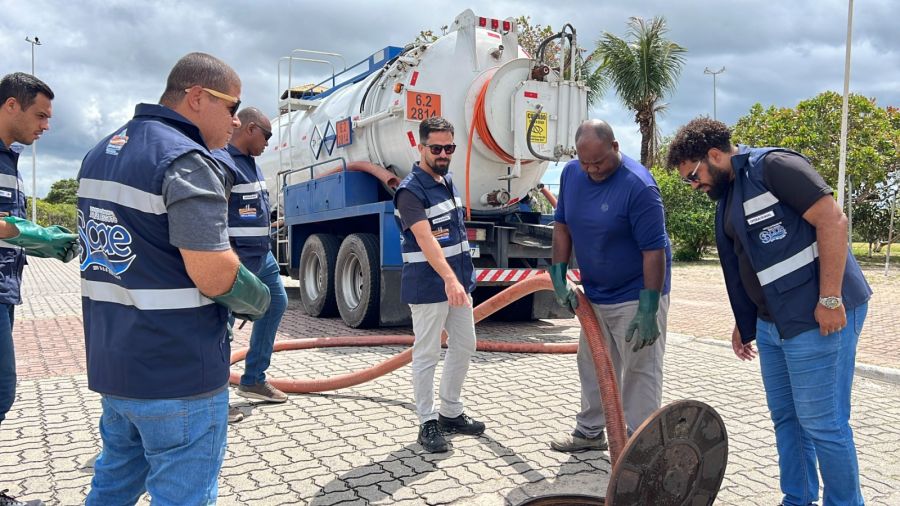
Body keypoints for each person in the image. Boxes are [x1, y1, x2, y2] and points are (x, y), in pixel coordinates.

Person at [77, 53, 271, 505]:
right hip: (177, 370)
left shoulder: (101, 152)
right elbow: (214, 272)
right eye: (232, 106)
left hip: (115, 364)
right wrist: (258, 300)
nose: (237, 120)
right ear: (197, 97)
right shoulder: (187, 160)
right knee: (184, 495)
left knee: (114, 483)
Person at [667, 117, 871, 506]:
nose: (693, 186)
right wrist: (745, 320)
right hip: (772, 323)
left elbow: (833, 220)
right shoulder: (728, 193)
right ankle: (798, 498)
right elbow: (750, 258)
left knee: (824, 424)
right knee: (787, 420)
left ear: (714, 155)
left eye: (693, 175)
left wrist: (830, 298)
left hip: (818, 315)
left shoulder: (774, 167)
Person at [549, 119, 671, 453]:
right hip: (596, 294)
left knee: (639, 369)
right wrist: (558, 275)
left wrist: (648, 308)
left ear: (615, 147)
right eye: (585, 162)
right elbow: (562, 227)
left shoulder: (639, 187)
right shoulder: (572, 174)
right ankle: (590, 432)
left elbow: (654, 251)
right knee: (592, 363)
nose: (592, 170)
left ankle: (641, 445)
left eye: (599, 162)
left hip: (637, 292)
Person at [0, 72, 80, 506]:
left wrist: (34, 239)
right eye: (41, 115)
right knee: (0, 390)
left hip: (5, 287)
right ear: (12, 105)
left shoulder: (9, 159)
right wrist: (34, 235)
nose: (46, 126)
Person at [393, 116, 484, 453]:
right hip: (429, 286)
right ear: (421, 147)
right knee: (427, 353)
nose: (444, 153)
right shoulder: (410, 191)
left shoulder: (447, 182)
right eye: (437, 148)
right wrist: (449, 279)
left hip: (458, 284)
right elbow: (425, 239)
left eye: (449, 148)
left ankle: (450, 411)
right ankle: (427, 422)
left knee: (465, 345)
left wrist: (459, 280)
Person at [211, 107, 288, 424]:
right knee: (221, 328)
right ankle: (215, 401)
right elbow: (214, 217)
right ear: (251, 128)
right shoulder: (223, 163)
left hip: (262, 257)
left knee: (277, 303)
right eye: (267, 136)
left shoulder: (252, 165)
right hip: (237, 259)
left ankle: (254, 378)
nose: (269, 143)